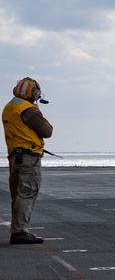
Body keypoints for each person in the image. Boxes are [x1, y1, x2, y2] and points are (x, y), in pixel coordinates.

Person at [3, 77, 53, 244]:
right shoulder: (28, 109)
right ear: (34, 92)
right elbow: (47, 131)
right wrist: (36, 108)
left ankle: (18, 229)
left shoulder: (9, 107)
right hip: (28, 157)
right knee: (27, 192)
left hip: (14, 156)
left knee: (17, 194)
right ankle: (20, 232)